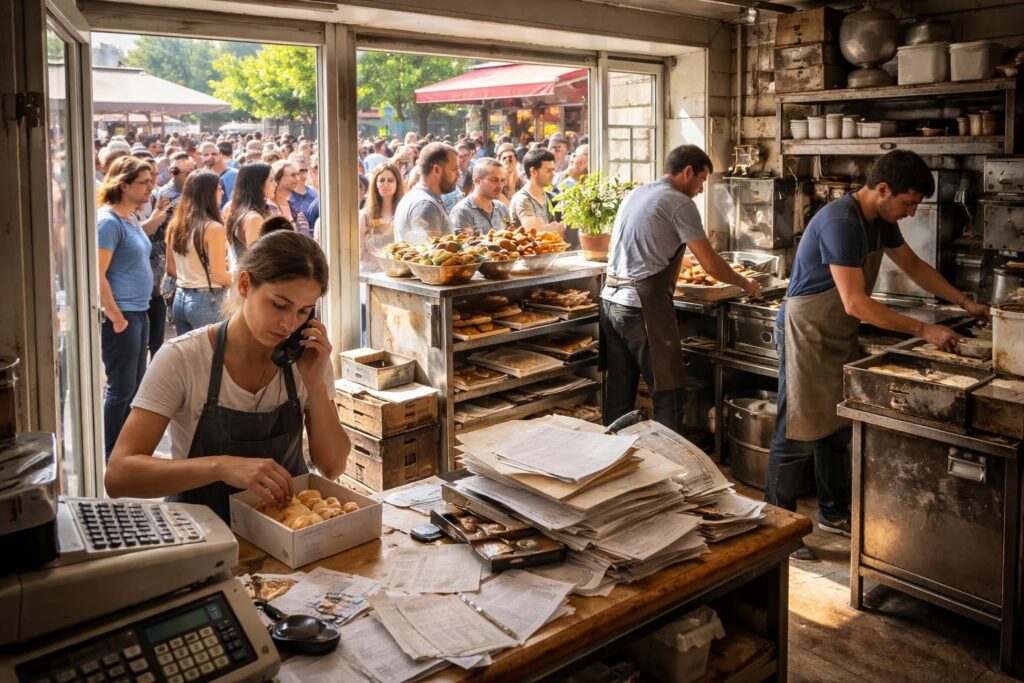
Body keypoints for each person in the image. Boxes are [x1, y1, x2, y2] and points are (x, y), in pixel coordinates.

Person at [764, 150, 989, 558]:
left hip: (836, 330)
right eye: (908, 202)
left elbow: (914, 266)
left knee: (835, 428)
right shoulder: (841, 223)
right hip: (806, 330)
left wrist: (963, 302)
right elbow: (856, 303)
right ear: (882, 189)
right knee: (796, 432)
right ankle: (777, 531)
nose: (912, 211)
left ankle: (833, 513)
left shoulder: (881, 221)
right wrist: (923, 330)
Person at [105, 231, 350, 522]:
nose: (288, 324)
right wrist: (221, 466)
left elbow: (333, 467)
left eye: (303, 312)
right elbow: (119, 476)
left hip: (286, 530)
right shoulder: (182, 358)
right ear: (245, 284)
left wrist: (316, 385)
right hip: (202, 532)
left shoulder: (307, 359)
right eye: (279, 305)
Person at [600, 145, 761, 435]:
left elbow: (645, 247)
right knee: (669, 392)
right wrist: (745, 283)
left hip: (610, 302)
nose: (701, 189)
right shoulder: (679, 202)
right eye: (701, 180)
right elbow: (711, 264)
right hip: (641, 308)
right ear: (688, 171)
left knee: (619, 393)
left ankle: (610, 455)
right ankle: (669, 459)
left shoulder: (638, 193)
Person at [96, 156, 156, 459]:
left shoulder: (130, 217)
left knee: (134, 387)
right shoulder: (108, 222)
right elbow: (98, 274)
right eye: (143, 182)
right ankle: (111, 455)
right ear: (123, 185)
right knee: (121, 388)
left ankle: (126, 451)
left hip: (138, 311)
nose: (150, 187)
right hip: (123, 314)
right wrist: (116, 316)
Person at [166, 171, 233, 335]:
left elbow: (171, 269)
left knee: (190, 351)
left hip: (180, 299)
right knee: (214, 350)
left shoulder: (175, 224)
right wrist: (242, 279)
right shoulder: (213, 228)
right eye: (219, 188)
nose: (222, 192)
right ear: (208, 193)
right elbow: (219, 276)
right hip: (206, 300)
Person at [392, 142, 458, 243]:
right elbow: (430, 252)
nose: (458, 175)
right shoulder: (426, 205)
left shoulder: (421, 198)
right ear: (436, 170)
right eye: (454, 169)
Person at [509, 147, 569, 242]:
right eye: (548, 171)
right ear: (533, 172)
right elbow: (532, 232)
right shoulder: (523, 199)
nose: (553, 174)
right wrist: (554, 227)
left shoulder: (550, 197)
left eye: (553, 170)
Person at [359, 162, 405, 273]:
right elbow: (358, 253)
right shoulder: (365, 216)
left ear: (397, 183)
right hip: (369, 276)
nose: (385, 184)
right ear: (376, 184)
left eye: (390, 180)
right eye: (381, 180)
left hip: (397, 275)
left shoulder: (403, 214)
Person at [225, 162, 275, 260]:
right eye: (271, 180)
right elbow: (256, 260)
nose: (275, 184)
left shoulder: (236, 210)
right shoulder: (254, 218)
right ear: (258, 184)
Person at [449, 158, 510, 235]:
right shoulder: (463, 212)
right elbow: (462, 242)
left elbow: (511, 237)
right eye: (494, 180)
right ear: (477, 181)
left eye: (502, 180)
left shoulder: (502, 208)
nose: (500, 186)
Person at [269, 160, 312, 237]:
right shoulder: (266, 208)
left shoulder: (295, 209)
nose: (298, 179)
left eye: (297, 174)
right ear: (277, 178)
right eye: (293, 175)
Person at [198, 141, 238, 210]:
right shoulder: (200, 176)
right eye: (206, 155)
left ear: (220, 155)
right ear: (201, 157)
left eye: (214, 154)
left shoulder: (235, 174)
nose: (210, 157)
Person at [288, 153, 319, 227]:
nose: (304, 175)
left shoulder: (314, 192)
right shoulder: (287, 196)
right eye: (301, 171)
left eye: (306, 171)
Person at [496, 143, 525, 207]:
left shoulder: (521, 182)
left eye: (511, 158)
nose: (508, 161)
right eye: (504, 158)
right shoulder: (496, 184)